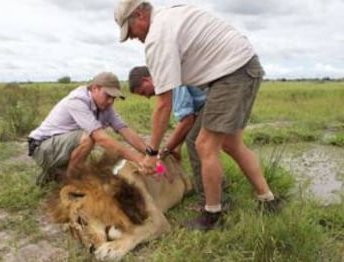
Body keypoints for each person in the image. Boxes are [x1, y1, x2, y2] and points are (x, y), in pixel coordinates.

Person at [114, 0, 280, 230]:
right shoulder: (170, 17)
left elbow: (164, 104)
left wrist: (152, 153)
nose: (132, 37)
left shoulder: (158, 37)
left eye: (130, 30)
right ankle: (268, 199)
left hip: (232, 72)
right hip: (240, 67)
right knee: (231, 144)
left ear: (140, 15)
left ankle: (213, 215)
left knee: (203, 144)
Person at [28, 72, 146, 186]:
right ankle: (69, 184)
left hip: (59, 146)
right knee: (89, 138)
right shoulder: (77, 101)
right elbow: (101, 139)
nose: (111, 101)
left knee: (87, 156)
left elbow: (125, 130)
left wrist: (150, 153)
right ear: (95, 88)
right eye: (108, 95)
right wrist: (137, 158)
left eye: (114, 98)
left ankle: (56, 173)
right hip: (41, 148)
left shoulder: (106, 106)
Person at [128, 65, 206, 194]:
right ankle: (216, 184)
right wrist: (173, 147)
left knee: (195, 142)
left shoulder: (170, 81)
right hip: (206, 103)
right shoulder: (170, 76)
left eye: (143, 92)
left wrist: (165, 149)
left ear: (147, 80)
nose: (147, 97)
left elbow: (187, 119)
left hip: (212, 100)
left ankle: (208, 195)